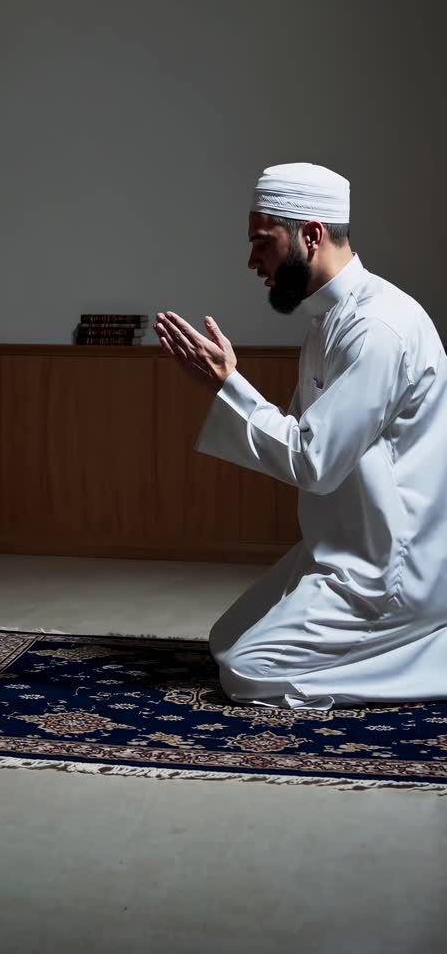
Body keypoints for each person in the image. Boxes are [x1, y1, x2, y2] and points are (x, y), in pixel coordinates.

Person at [154, 162, 447, 710]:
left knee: (247, 671)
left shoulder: (378, 329)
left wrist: (227, 384)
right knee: (225, 641)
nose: (252, 261)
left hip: (389, 569)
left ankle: (433, 653)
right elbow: (300, 438)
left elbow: (313, 460)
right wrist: (226, 386)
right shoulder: (329, 321)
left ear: (311, 235)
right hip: (344, 548)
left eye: (262, 243)